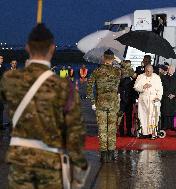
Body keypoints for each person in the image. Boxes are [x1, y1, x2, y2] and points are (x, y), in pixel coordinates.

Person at [0, 24, 88, 188]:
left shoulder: (10, 79)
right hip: (50, 162)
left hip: (20, 162)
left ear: (27, 47)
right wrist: (78, 167)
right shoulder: (64, 86)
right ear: (52, 49)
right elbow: (75, 132)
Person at [87, 49, 122, 162]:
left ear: (103, 58)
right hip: (113, 104)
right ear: (112, 59)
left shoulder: (97, 71)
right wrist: (120, 61)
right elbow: (131, 72)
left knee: (102, 129)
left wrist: (93, 102)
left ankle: (103, 155)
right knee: (111, 129)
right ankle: (111, 155)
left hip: (100, 103)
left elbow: (89, 88)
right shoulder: (117, 71)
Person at [134, 64, 163, 139]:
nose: (148, 73)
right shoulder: (141, 76)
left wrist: (158, 97)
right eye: (147, 71)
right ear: (145, 70)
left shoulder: (157, 77)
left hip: (153, 99)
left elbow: (160, 89)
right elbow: (136, 87)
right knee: (143, 116)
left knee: (153, 117)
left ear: (152, 70)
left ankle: (153, 133)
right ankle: (144, 132)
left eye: (150, 71)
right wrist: (143, 87)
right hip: (143, 99)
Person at [118, 60, 136, 137]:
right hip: (122, 96)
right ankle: (121, 131)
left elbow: (135, 76)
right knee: (121, 115)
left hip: (129, 97)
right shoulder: (119, 71)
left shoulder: (131, 72)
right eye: (129, 65)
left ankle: (128, 131)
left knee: (128, 115)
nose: (130, 66)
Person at [160, 65, 176, 130]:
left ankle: (175, 126)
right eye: (170, 69)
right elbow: (161, 88)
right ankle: (164, 126)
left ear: (174, 70)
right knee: (165, 112)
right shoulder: (163, 78)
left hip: (174, 98)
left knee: (175, 113)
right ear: (168, 70)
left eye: (172, 69)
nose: (171, 71)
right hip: (165, 98)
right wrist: (167, 94)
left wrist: (174, 95)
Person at [0, 55, 5, 130]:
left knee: (1, 107)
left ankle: (0, 124)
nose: (2, 59)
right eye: (0, 58)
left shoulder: (3, 67)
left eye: (2, 58)